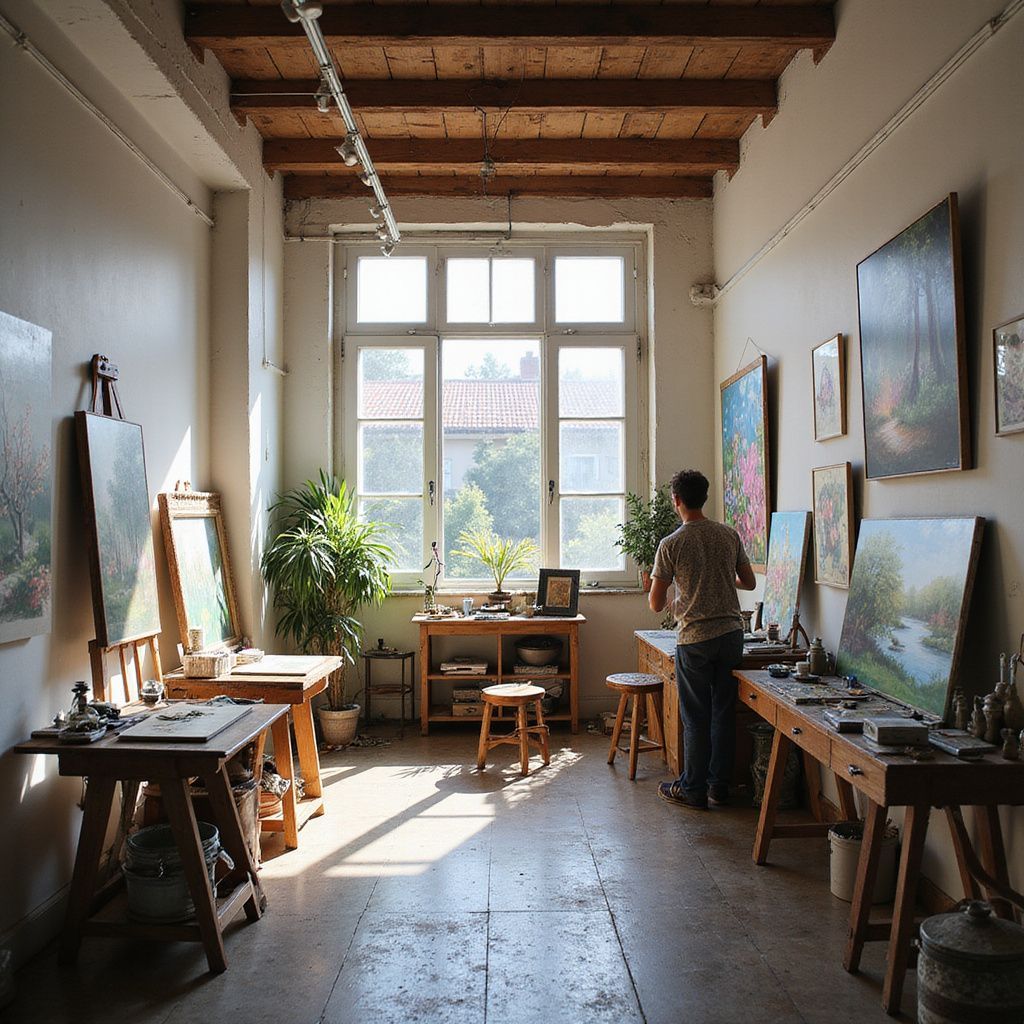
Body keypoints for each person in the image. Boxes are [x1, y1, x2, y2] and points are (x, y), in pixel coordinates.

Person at [648, 469, 756, 810]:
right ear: (704, 497)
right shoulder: (728, 535)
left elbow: (654, 604)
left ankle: (692, 789)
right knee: (723, 713)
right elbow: (749, 583)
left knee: (695, 717)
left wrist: (678, 594)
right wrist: (721, 581)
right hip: (731, 635)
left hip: (695, 639)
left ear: (677, 500)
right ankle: (718, 786)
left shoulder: (671, 543)